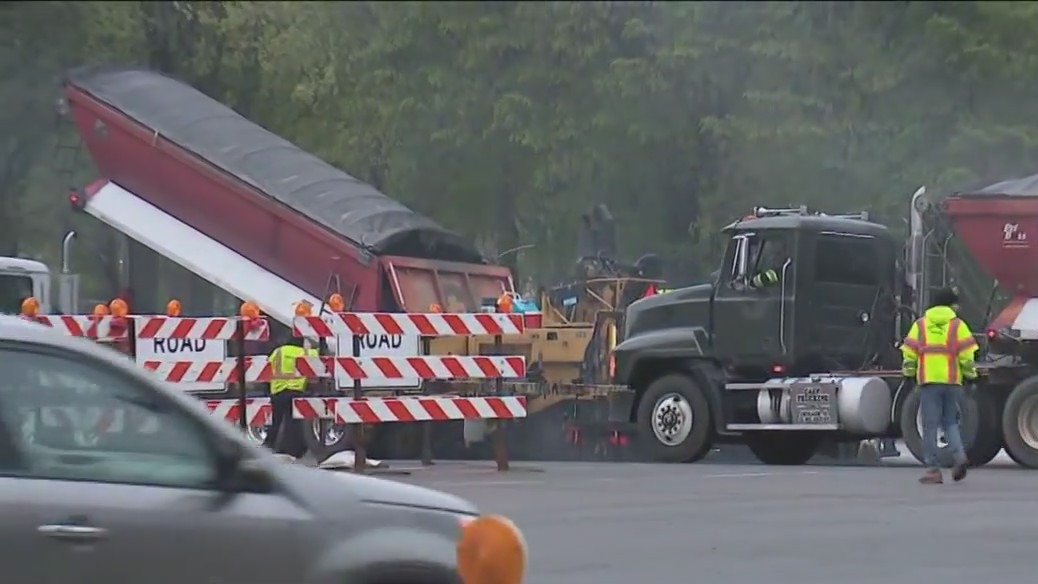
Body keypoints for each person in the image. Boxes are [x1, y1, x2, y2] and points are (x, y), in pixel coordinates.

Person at [901, 287, 978, 484]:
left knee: (930, 426)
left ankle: (933, 470)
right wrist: (971, 376)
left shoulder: (920, 325)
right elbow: (967, 356)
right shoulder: (957, 326)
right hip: (952, 381)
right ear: (951, 304)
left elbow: (909, 353)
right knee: (950, 421)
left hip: (928, 381)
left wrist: (909, 374)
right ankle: (959, 457)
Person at [263, 333, 318, 458]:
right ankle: (288, 450)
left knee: (275, 422)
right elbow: (322, 354)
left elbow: (268, 366)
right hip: (295, 393)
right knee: (292, 424)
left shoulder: (279, 351)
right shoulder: (306, 353)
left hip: (277, 392)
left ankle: (268, 447)